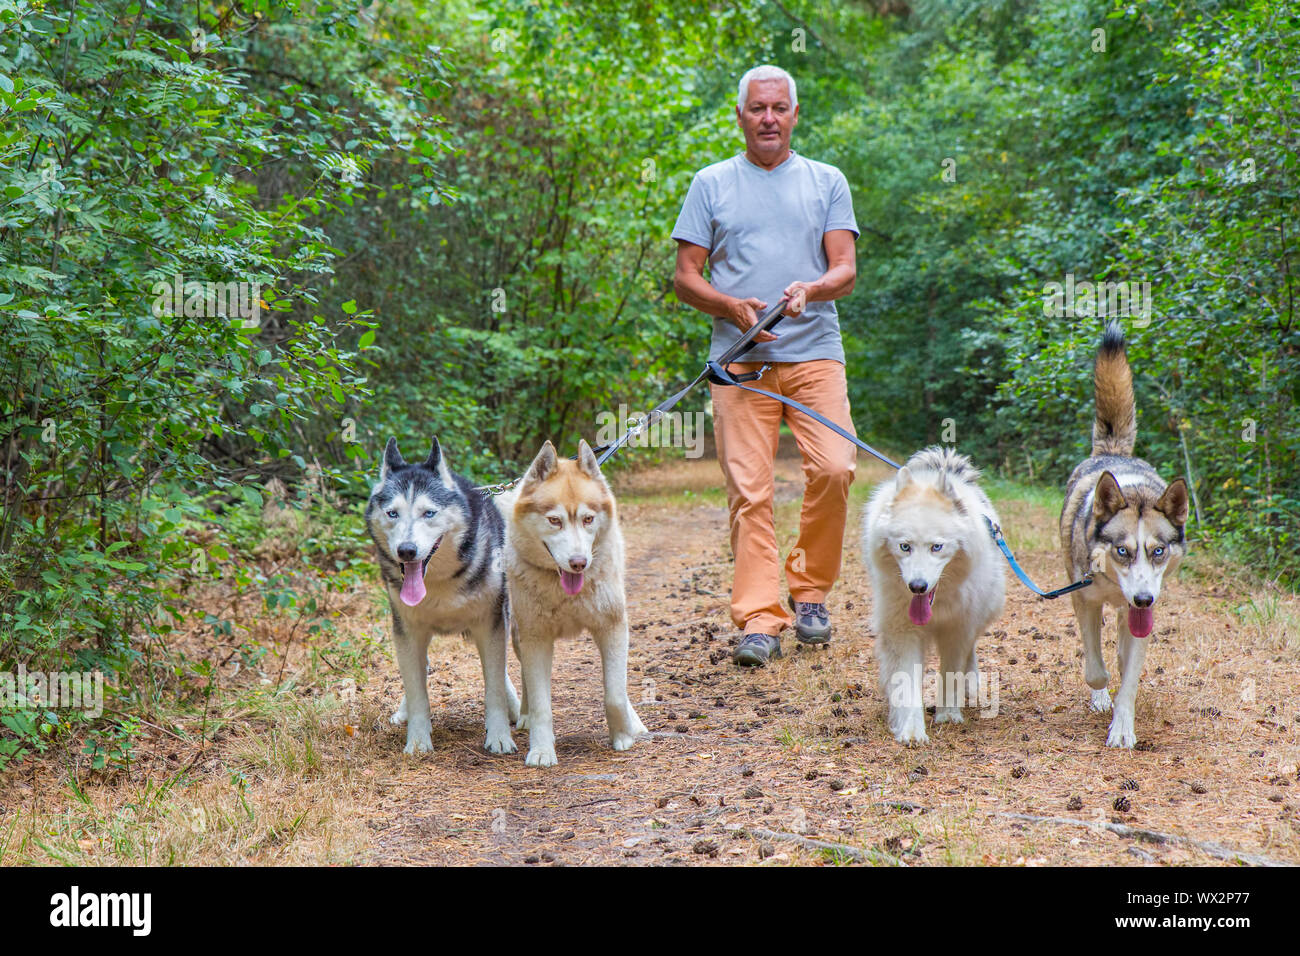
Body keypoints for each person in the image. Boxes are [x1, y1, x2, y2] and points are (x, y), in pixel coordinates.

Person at [671, 64, 860, 666]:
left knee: (835, 468)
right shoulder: (710, 183)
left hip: (814, 354)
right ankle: (759, 617)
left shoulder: (827, 180)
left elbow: (845, 269)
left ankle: (809, 593)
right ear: (741, 116)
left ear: (795, 115)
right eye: (758, 109)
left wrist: (813, 289)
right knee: (749, 493)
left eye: (779, 108)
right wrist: (729, 304)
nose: (769, 119)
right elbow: (685, 277)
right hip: (739, 363)